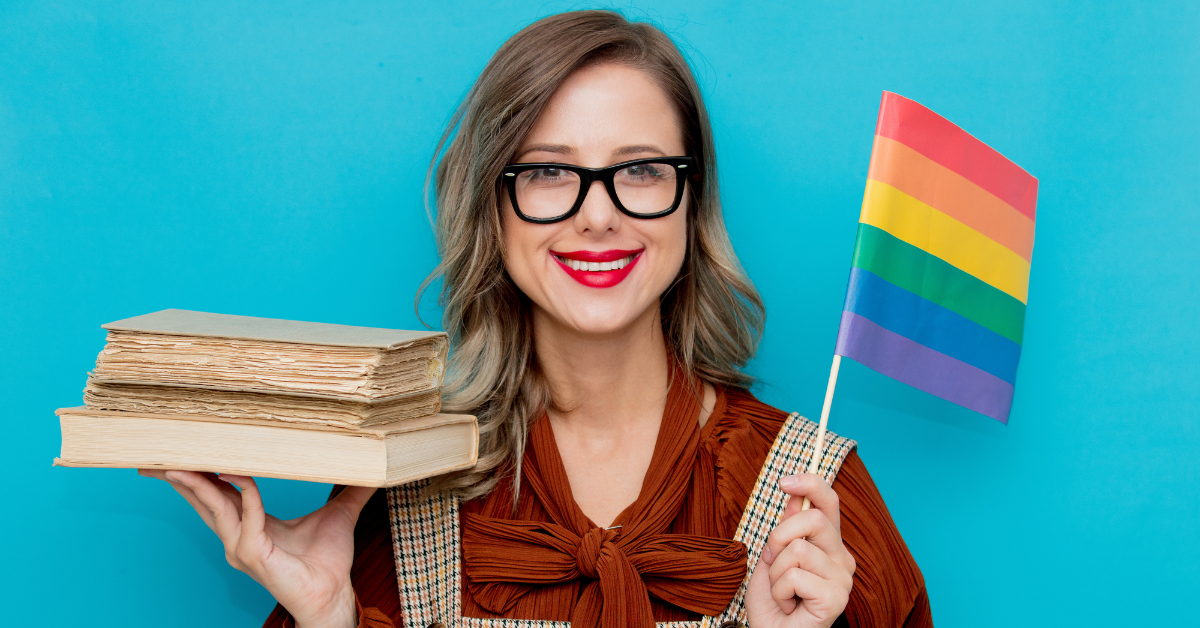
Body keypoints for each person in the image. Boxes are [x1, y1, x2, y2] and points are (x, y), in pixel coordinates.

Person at [140, 10, 932, 628]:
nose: (597, 217)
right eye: (550, 172)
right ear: (494, 208)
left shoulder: (809, 498)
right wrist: (332, 616)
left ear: (691, 203)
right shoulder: (407, 488)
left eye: (642, 170)